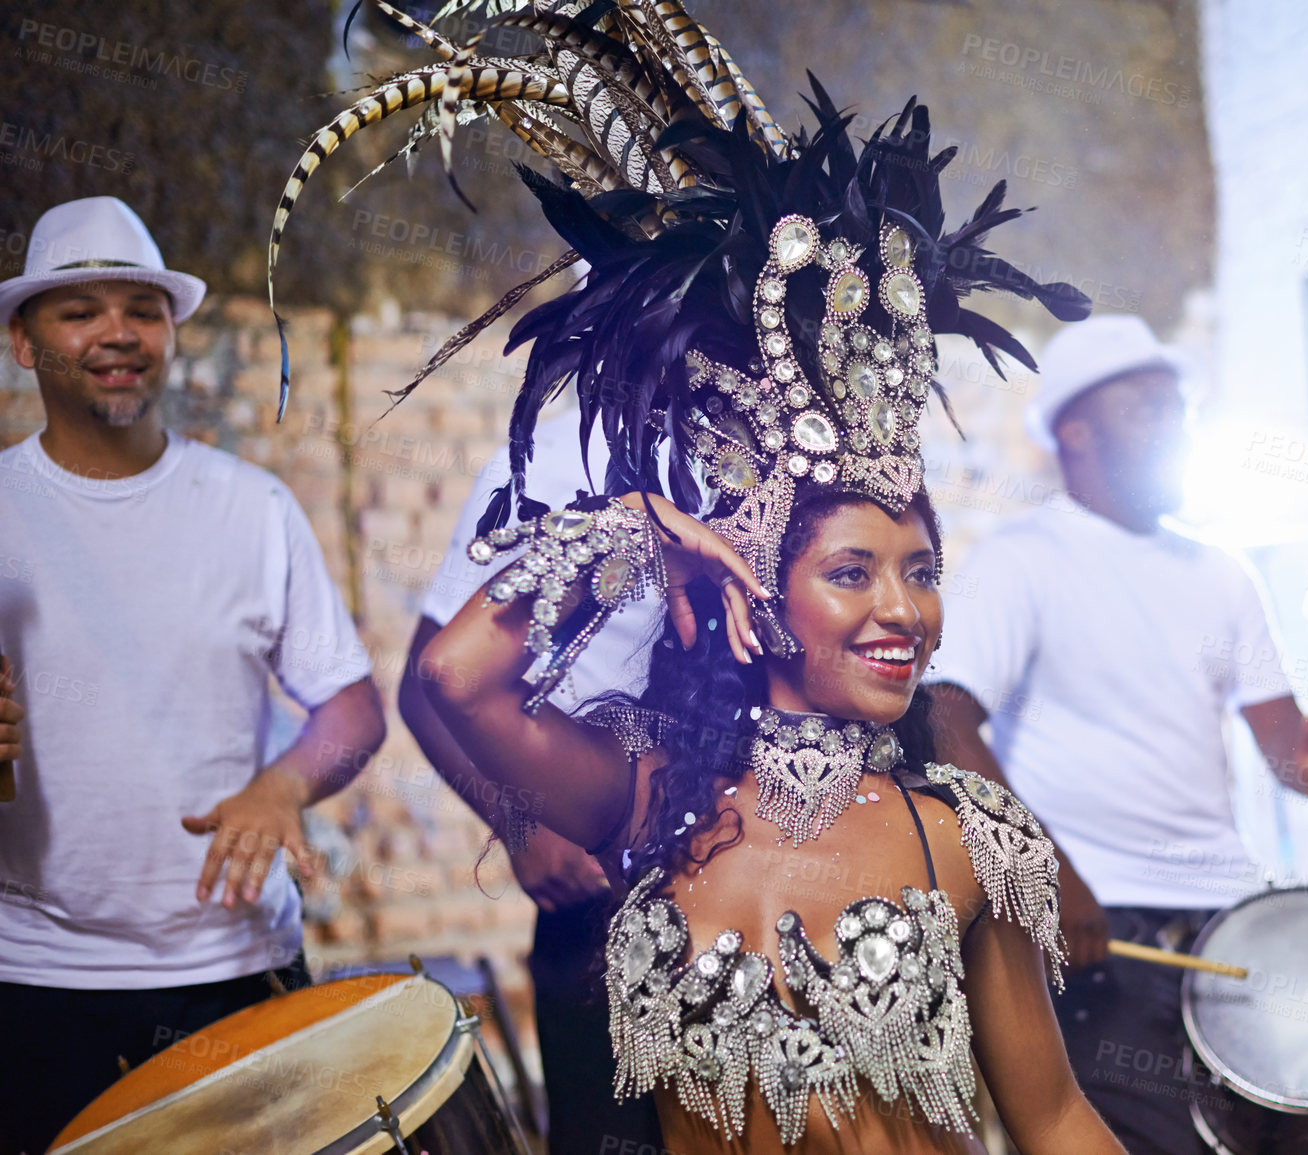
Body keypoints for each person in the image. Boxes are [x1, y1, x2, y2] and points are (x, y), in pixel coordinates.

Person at [271, 3, 1121, 1148]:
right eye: (854, 573)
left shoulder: (959, 833)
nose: (904, 611)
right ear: (759, 598)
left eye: (921, 571)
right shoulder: (651, 796)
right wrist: (634, 529)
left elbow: (1058, 1115)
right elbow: (462, 680)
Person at [927, 313, 1308, 1155]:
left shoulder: (1222, 571)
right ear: (1076, 430)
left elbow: (1279, 736)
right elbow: (944, 718)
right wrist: (1049, 874)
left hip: (1226, 916)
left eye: (1181, 411)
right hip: (1097, 929)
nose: (1177, 430)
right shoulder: (1024, 559)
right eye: (1149, 411)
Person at [0, 196, 385, 1153]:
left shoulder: (250, 509)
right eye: (77, 310)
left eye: (141, 306)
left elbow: (351, 706)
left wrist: (281, 785)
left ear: (171, 330)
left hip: (233, 967)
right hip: (32, 980)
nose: (116, 333)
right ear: (23, 341)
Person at [400, 405, 666, 1153]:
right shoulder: (553, 458)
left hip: (764, 880)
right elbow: (429, 683)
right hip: (600, 898)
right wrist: (522, 825)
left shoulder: (799, 448)